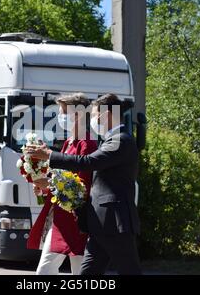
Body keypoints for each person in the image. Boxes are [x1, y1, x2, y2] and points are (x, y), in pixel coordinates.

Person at [26, 93, 142, 275]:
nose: (93, 119)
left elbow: (87, 163)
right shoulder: (111, 140)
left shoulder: (121, 140)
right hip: (101, 223)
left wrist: (49, 155)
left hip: (115, 221)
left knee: (129, 271)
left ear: (107, 115)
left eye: (95, 115)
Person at [27, 93, 97, 275]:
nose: (60, 118)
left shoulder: (87, 144)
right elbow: (61, 178)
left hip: (76, 221)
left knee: (81, 274)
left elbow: (82, 185)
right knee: (44, 271)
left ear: (78, 115)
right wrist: (45, 187)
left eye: (63, 113)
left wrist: (49, 183)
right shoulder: (68, 142)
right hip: (60, 220)